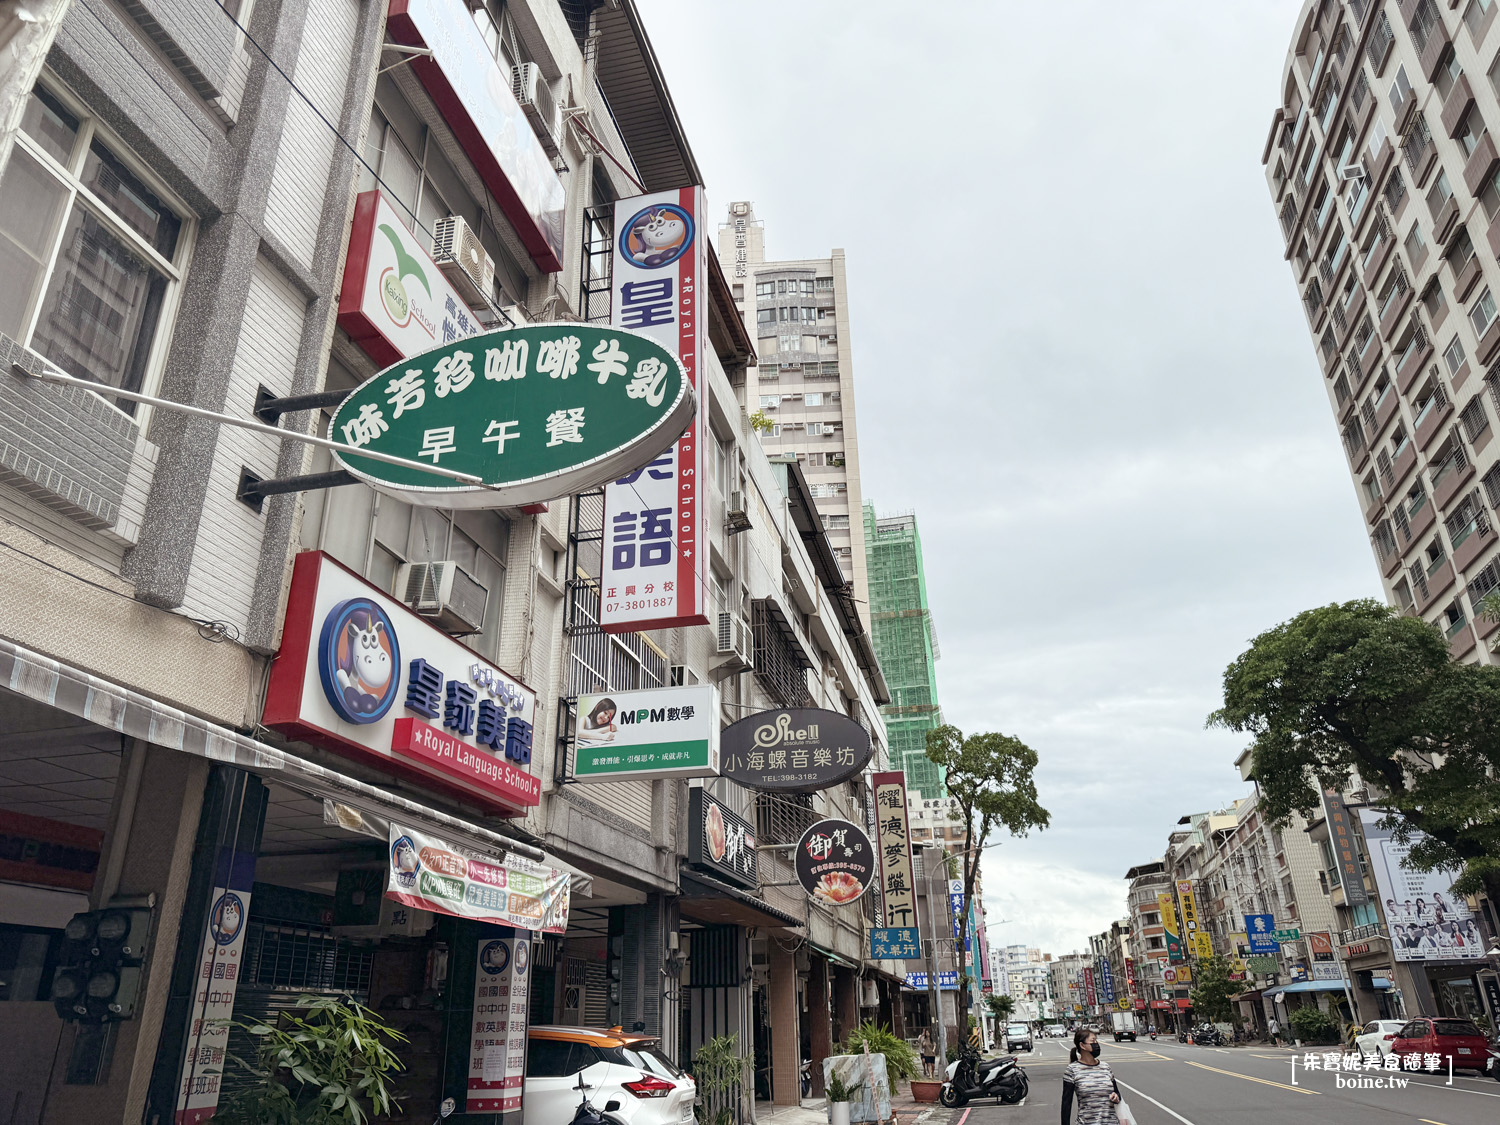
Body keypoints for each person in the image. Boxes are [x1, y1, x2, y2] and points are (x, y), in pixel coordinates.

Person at [1061, 1028, 1119, 1125]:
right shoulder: (1072, 1070)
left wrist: (1116, 1097)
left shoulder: (1105, 1067)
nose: (1096, 1044)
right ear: (1082, 1045)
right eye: (1093, 1041)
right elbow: (1066, 1103)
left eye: (1096, 1041)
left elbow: (1117, 1093)